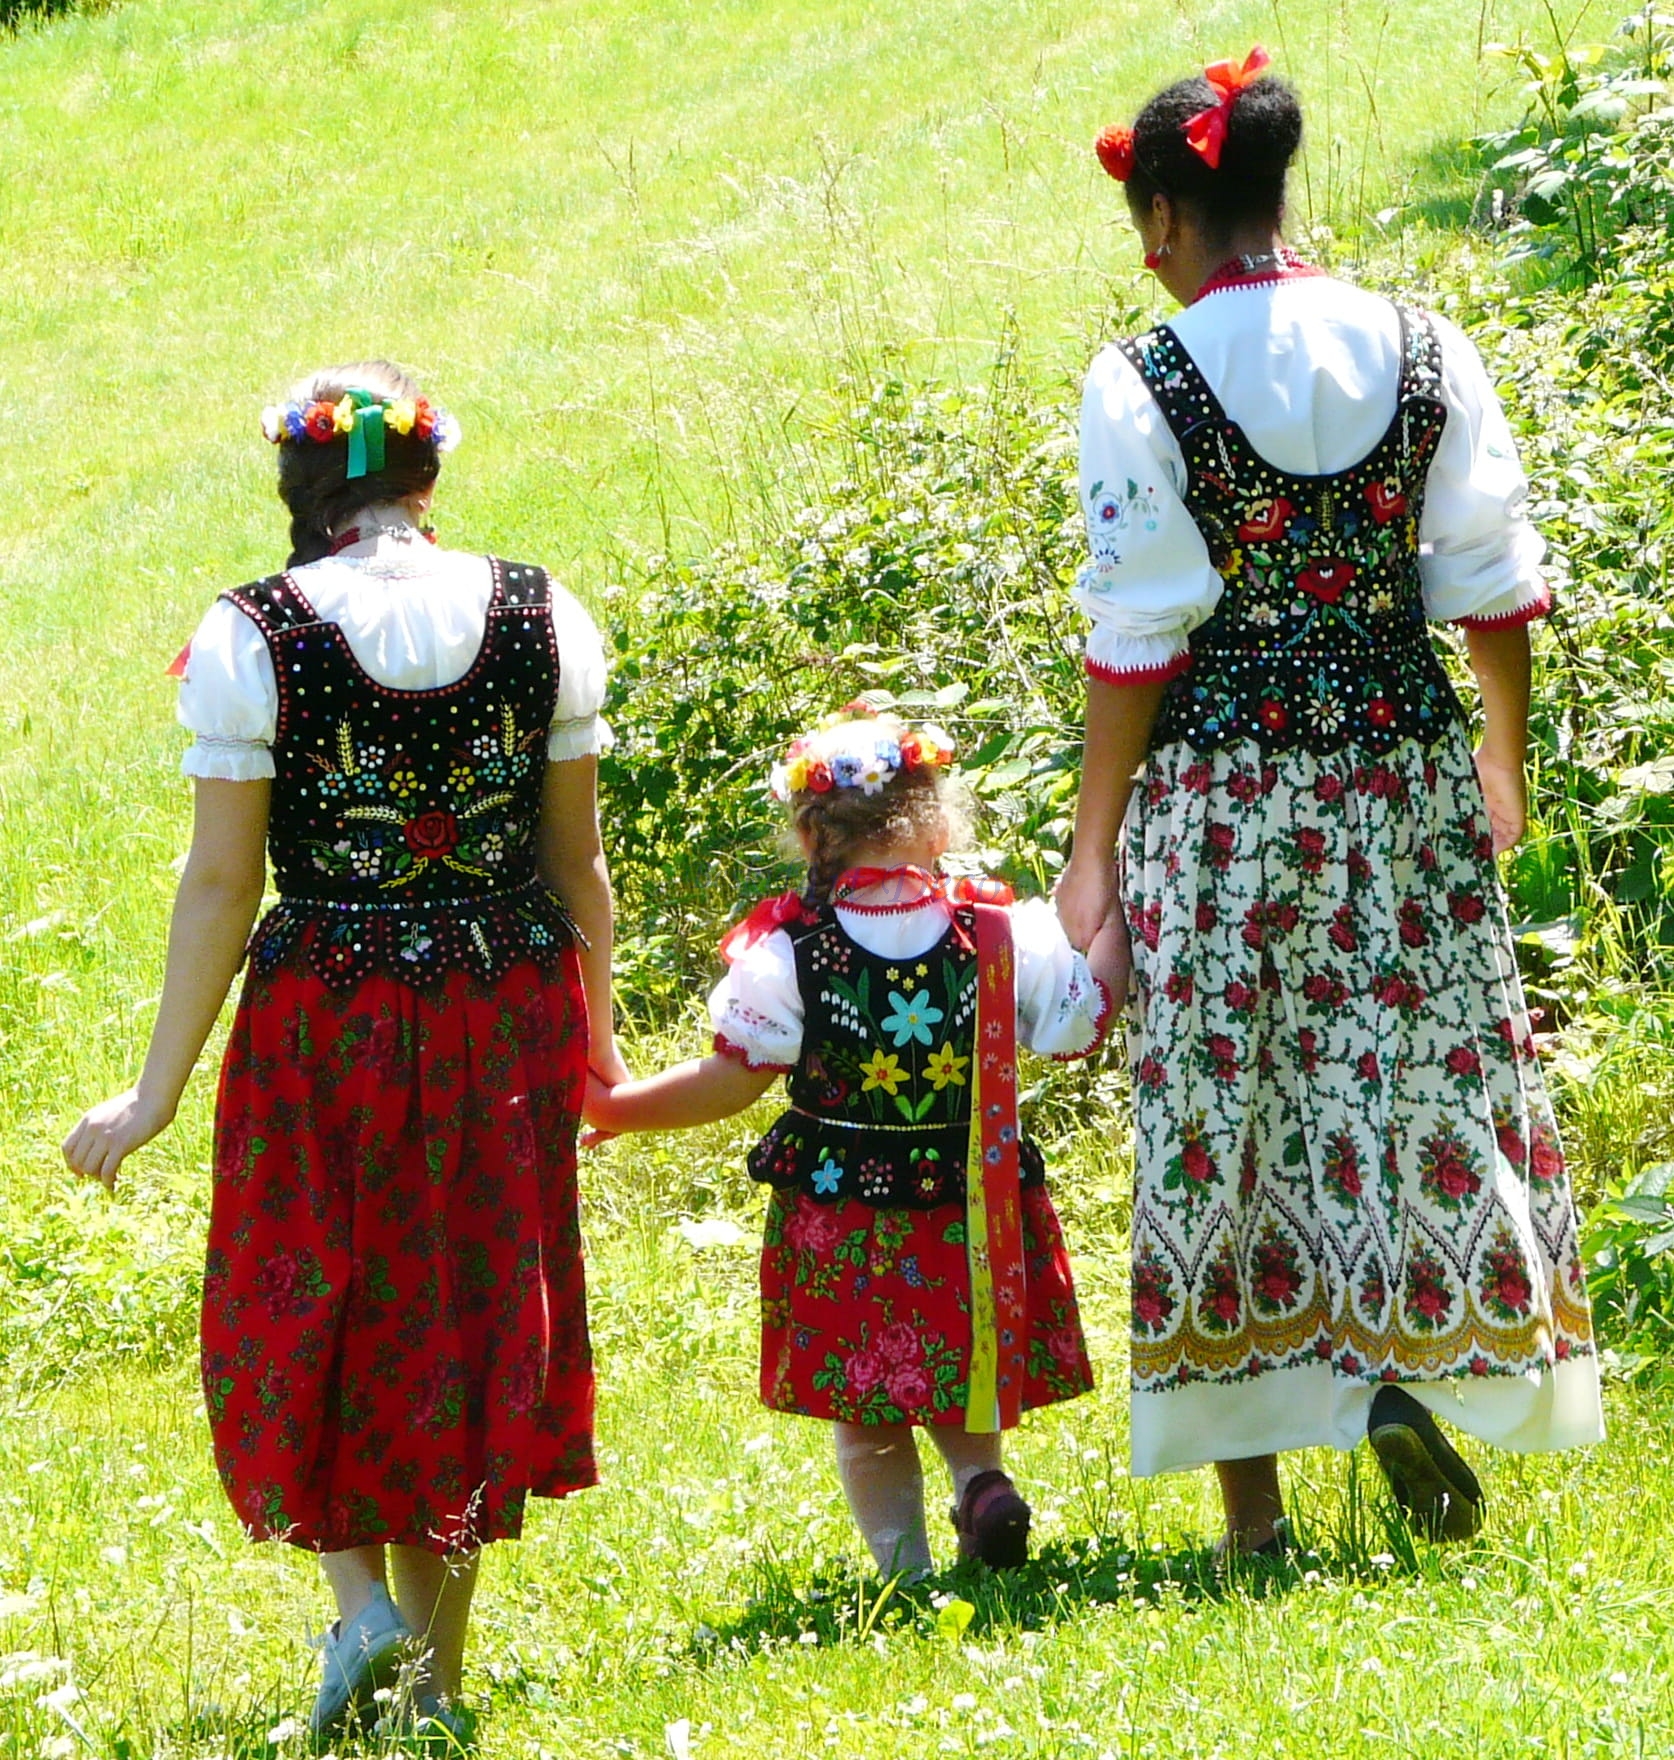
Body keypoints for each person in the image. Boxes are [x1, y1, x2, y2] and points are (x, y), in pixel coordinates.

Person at [1055, 52, 1603, 1555]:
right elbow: (1491, 580)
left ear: (1165, 214)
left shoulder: (1141, 379)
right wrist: (1501, 759)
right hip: (1401, 771)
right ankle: (1401, 1368)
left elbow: (1137, 635)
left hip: (1221, 795)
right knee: (1409, 1078)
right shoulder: (1423, 345)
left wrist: (1091, 850)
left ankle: (1254, 1512)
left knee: (1221, 1099)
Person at [63, 362, 625, 1744]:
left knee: (311, 1296)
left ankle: (363, 1610)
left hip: (331, 1013)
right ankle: (433, 1687)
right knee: (462, 1318)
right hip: (501, 1001)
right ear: (427, 479)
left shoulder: (255, 633)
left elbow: (220, 884)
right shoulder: (539, 610)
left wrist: (153, 1091)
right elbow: (579, 866)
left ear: (298, 487)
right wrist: (599, 1041)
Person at [585, 707, 1119, 1578]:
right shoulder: (997, 931)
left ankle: (905, 1575)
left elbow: (733, 1077)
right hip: (970, 1203)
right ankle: (981, 1483)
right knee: (961, 1360)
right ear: (939, 824)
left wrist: (623, 1107)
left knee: (865, 1402)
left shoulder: (790, 951)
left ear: (810, 835)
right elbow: (1078, 1027)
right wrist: (1122, 922)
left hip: (843, 1212)